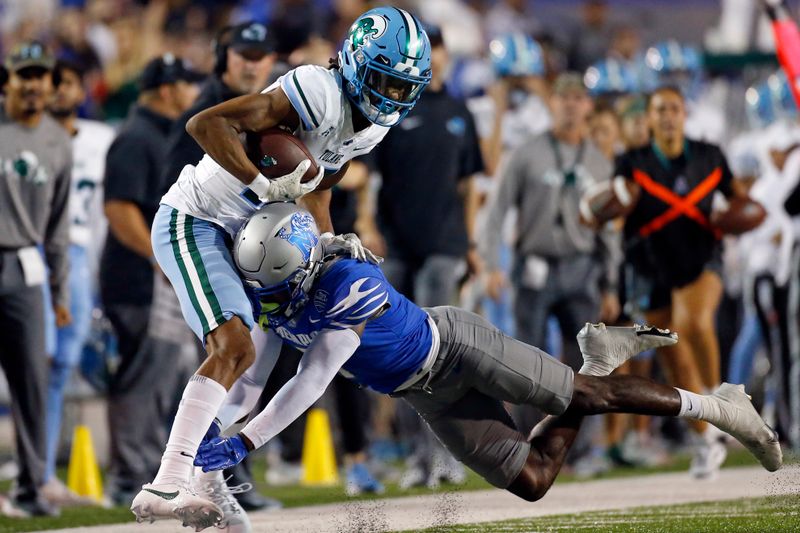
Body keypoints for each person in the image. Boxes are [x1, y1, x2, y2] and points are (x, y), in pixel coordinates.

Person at [194, 202, 780, 521]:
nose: (269, 299)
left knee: (587, 400)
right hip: (423, 392)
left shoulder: (347, 280)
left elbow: (313, 377)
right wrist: (217, 426)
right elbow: (253, 373)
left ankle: (720, 407)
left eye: (276, 285)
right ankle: (599, 361)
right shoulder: (277, 290)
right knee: (533, 481)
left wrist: (246, 444)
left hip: (456, 345)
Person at [131, 7, 432, 530]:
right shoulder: (316, 90)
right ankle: (165, 482)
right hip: (200, 219)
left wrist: (328, 238)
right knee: (235, 346)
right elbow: (206, 123)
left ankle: (207, 479)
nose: (395, 97)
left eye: (407, 88)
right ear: (359, 64)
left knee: (259, 361)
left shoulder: (368, 130)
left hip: (259, 237)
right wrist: (260, 185)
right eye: (387, 81)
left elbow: (316, 190)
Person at [159, 20, 280, 513]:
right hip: (206, 248)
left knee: (244, 362)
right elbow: (175, 194)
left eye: (261, 53)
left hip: (253, 258)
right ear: (222, 56)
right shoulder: (202, 114)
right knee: (224, 353)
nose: (252, 63)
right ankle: (187, 475)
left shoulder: (276, 113)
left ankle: (220, 475)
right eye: (242, 53)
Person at [610, 86, 762, 478]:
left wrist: (744, 213)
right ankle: (706, 438)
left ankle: (719, 394)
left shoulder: (710, 156)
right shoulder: (631, 162)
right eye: (660, 109)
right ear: (649, 117)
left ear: (684, 113)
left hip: (701, 258)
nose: (667, 116)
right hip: (651, 264)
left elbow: (738, 198)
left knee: (693, 321)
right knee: (672, 355)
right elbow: (614, 211)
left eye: (673, 109)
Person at [363, 23, 483, 489]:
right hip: (397, 245)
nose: (437, 59)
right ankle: (418, 454)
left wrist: (471, 243)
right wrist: (370, 224)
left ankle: (445, 455)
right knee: (398, 355)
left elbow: (470, 183)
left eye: (440, 51)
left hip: (445, 245)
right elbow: (371, 173)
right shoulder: (393, 109)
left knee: (436, 351)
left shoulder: (460, 111)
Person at [99, 54, 201, 505]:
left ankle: (147, 472)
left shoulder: (162, 133)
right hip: (136, 282)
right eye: (186, 84)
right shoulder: (136, 137)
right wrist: (159, 259)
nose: (193, 92)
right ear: (166, 90)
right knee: (142, 378)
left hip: (154, 280)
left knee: (160, 378)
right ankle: (128, 478)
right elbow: (119, 210)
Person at [0, 41, 72, 517]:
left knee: (31, 381)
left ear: (50, 85)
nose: (31, 84)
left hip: (25, 266)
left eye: (39, 76)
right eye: (23, 75)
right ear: (8, 81)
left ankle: (30, 487)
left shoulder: (58, 141)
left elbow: (59, 227)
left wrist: (59, 292)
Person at [43, 58, 115, 506]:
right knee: (31, 365)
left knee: (57, 371)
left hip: (78, 260)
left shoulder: (101, 139)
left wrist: (96, 276)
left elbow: (100, 216)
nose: (56, 91)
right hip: (30, 254)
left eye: (65, 82)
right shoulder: (20, 137)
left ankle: (42, 472)